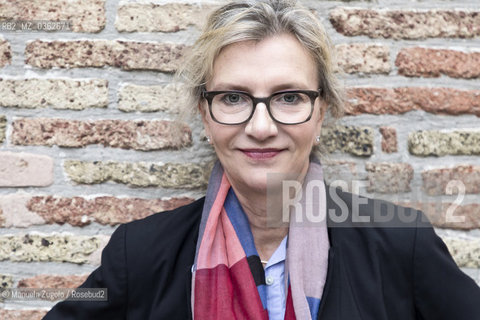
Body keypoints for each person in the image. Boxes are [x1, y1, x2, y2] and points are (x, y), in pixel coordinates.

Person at [43, 0, 480, 319]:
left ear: (321, 110)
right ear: (204, 112)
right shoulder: (137, 255)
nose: (261, 126)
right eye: (233, 97)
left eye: (289, 97)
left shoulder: (402, 246)